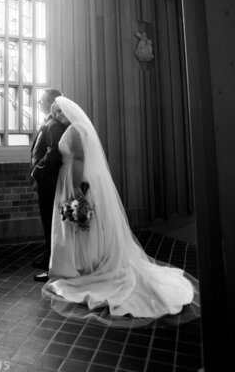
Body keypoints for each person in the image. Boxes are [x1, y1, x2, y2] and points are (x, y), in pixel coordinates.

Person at [42, 96, 200, 326]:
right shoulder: (81, 127)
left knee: (79, 224)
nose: (57, 115)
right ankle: (87, 263)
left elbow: (78, 158)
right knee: (87, 225)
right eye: (55, 112)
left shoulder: (75, 129)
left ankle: (84, 267)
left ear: (70, 111)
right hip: (81, 179)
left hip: (76, 180)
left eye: (61, 111)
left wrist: (75, 189)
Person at [30, 89, 65, 282]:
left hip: (49, 181)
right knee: (47, 222)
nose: (39, 103)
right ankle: (48, 257)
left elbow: (54, 153)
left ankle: (53, 266)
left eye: (42, 100)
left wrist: (38, 171)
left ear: (52, 101)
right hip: (46, 181)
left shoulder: (54, 125)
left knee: (51, 222)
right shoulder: (49, 122)